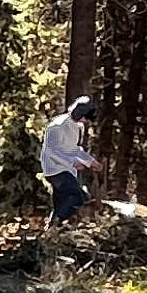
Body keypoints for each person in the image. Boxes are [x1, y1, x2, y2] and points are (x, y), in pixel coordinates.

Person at [39, 96, 100, 226]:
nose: (86, 121)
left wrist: (90, 162)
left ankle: (52, 229)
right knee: (77, 197)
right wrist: (72, 163)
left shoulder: (76, 127)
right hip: (54, 169)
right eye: (85, 117)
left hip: (66, 169)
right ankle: (57, 221)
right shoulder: (57, 126)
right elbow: (52, 151)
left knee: (61, 201)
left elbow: (73, 149)